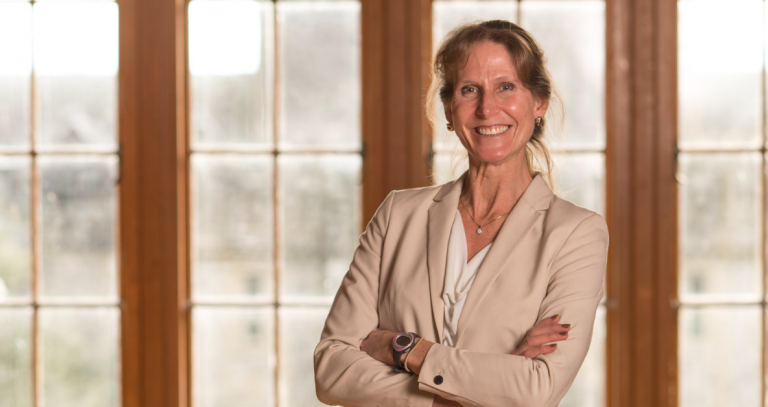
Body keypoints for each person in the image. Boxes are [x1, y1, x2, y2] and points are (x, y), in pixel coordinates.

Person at [314, 20, 608, 407]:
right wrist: (482, 386)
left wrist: (407, 349)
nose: (487, 108)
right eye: (470, 90)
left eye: (506, 87)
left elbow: (537, 390)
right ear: (449, 111)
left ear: (539, 103)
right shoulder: (397, 215)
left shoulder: (576, 233)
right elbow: (331, 369)